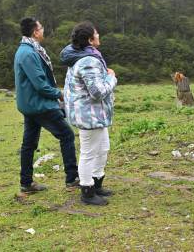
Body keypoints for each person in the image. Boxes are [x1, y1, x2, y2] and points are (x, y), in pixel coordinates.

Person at [14, 17, 79, 193]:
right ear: (35, 31)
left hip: (29, 104)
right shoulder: (29, 53)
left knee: (29, 143)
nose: (43, 30)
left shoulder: (27, 50)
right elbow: (40, 84)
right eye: (41, 27)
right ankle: (72, 178)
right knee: (66, 135)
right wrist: (60, 95)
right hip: (39, 105)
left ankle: (26, 183)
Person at [60, 21, 117, 206]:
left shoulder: (84, 56)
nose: (99, 35)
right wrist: (112, 77)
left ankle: (96, 183)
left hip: (94, 113)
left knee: (103, 148)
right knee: (89, 152)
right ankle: (87, 191)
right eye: (97, 33)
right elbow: (98, 91)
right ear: (90, 40)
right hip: (89, 114)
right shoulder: (88, 61)